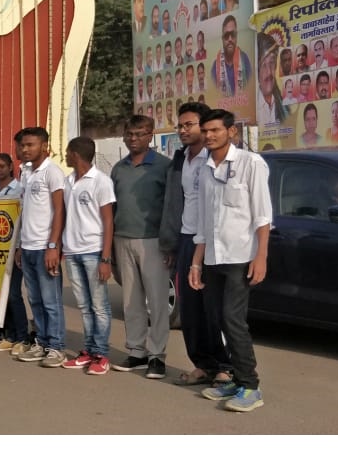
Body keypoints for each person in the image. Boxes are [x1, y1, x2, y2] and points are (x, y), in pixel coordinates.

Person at [189, 109, 272, 412]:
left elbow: (263, 215)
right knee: (217, 319)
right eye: (205, 131)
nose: (209, 136)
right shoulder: (205, 169)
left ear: (231, 132)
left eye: (215, 130)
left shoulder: (251, 163)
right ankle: (236, 379)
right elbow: (203, 221)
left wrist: (261, 256)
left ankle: (250, 386)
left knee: (233, 320)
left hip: (241, 256)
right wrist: (196, 262)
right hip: (213, 257)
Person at [160, 102, 233, 387]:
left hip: (212, 241)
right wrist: (171, 243)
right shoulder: (181, 159)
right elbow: (173, 203)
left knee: (213, 308)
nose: (182, 130)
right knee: (190, 311)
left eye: (188, 125)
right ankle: (202, 365)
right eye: (180, 125)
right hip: (185, 238)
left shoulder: (214, 159)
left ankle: (225, 366)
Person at [110, 115, 172, 379]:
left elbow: (171, 207)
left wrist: (169, 243)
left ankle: (157, 355)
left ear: (150, 135)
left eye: (140, 134)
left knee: (157, 302)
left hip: (154, 241)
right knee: (131, 301)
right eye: (129, 134)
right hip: (122, 239)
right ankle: (137, 351)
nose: (133, 139)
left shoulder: (164, 166)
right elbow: (112, 207)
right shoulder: (118, 169)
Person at [59, 137, 115, 375]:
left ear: (76, 154)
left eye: (67, 152)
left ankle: (101, 354)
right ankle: (89, 351)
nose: (65, 156)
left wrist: (105, 258)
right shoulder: (68, 181)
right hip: (72, 251)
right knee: (84, 305)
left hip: (93, 251)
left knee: (99, 305)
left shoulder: (101, 181)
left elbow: (108, 221)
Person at [13, 127, 66, 368]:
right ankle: (42, 343)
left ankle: (56, 347)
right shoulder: (27, 174)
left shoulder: (52, 172)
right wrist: (20, 246)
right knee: (35, 299)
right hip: (28, 246)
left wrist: (53, 245)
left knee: (51, 301)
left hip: (45, 247)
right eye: (23, 145)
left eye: (30, 145)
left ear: (44, 146)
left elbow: (59, 210)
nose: (25, 149)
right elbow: (25, 212)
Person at [0, 151, 27, 354]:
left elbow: (22, 220)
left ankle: (22, 336)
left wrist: (19, 246)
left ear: (11, 167)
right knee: (0, 294)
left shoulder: (19, 189)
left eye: (2, 166)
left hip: (13, 248)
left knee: (13, 294)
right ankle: (8, 335)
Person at [212, 15, 251, 95]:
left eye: (232, 34)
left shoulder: (244, 60)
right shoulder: (215, 67)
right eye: (226, 35)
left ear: (236, 36)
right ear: (222, 39)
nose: (230, 39)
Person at [256, 33, 288, 126]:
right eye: (263, 65)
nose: (269, 71)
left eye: (272, 62)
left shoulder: (284, 106)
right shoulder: (252, 109)